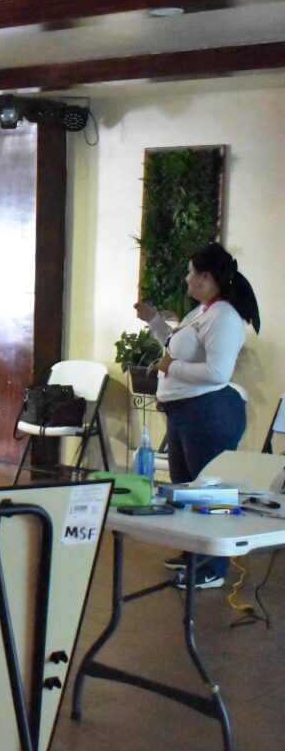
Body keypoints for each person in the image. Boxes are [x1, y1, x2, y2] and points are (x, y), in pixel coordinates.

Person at [135, 242, 261, 589]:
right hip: (185, 413)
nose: (186, 278)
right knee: (187, 487)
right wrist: (153, 321)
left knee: (211, 492)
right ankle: (195, 553)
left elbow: (217, 373)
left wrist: (171, 367)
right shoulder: (201, 312)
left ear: (206, 276)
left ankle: (214, 567)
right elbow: (175, 347)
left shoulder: (224, 317)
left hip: (209, 413)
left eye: (190, 272)